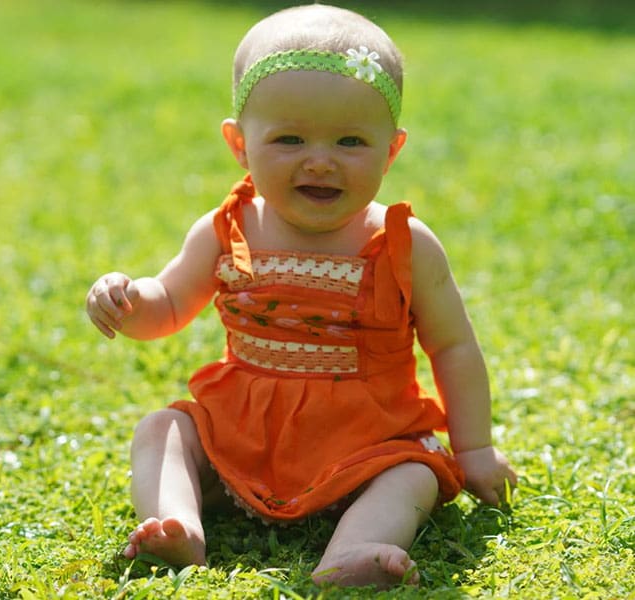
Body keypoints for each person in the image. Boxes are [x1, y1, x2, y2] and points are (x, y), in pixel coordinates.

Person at [86, 3, 517, 590]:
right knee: (162, 429)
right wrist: (128, 298)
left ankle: (359, 546)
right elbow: (166, 304)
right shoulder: (225, 229)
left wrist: (475, 448)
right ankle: (178, 524)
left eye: (350, 140)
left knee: (413, 472)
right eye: (289, 138)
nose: (321, 160)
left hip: (369, 441)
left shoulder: (403, 244)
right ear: (240, 144)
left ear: (391, 150)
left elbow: (454, 348)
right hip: (240, 437)